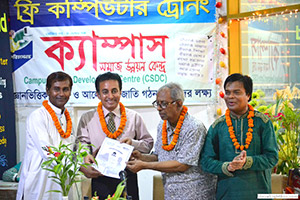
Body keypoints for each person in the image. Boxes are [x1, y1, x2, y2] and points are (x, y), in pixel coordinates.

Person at [126, 83, 217, 200]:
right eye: (157, 103)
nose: (159, 108)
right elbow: (159, 156)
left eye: (163, 104)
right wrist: (141, 157)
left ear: (178, 104)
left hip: (194, 194)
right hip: (171, 194)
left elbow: (182, 165)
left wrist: (144, 165)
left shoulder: (194, 127)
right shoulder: (162, 125)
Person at [200, 73, 278, 199]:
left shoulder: (262, 122)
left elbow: (272, 158)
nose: (230, 97)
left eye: (236, 92)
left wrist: (247, 162)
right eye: (227, 92)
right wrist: (227, 166)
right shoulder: (217, 126)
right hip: (227, 194)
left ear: (248, 95)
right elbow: (205, 161)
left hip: (258, 192)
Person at [76, 72, 153, 200]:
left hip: (127, 175)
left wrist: (133, 144)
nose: (110, 96)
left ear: (120, 92)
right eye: (105, 92)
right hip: (99, 176)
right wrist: (85, 156)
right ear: (98, 94)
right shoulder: (87, 118)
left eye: (114, 91)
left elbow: (148, 144)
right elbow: (81, 144)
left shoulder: (134, 117)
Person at [16, 71, 75, 200]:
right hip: (40, 181)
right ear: (47, 90)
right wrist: (77, 166)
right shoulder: (38, 116)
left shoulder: (67, 117)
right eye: (56, 89)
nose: (61, 94)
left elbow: (71, 148)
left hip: (61, 181)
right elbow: (47, 150)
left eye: (66, 89)